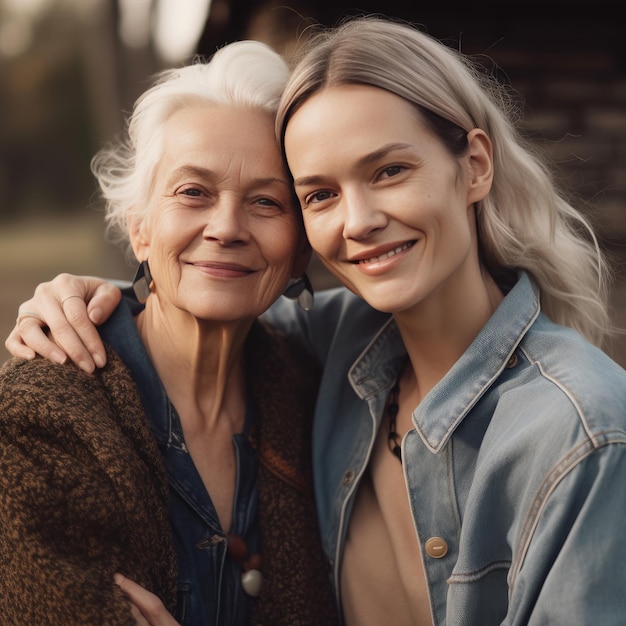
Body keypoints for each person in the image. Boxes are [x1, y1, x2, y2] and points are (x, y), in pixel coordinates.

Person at [7, 15, 626, 626]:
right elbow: (204, 299)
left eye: (389, 171)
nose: (357, 221)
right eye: (320, 194)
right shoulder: (334, 350)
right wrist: (91, 300)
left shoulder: (581, 435)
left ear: (475, 166)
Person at [0, 39, 339, 626]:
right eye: (193, 192)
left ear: (300, 250)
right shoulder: (40, 418)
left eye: (266, 201)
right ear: (140, 228)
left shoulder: (318, 400)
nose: (227, 227)